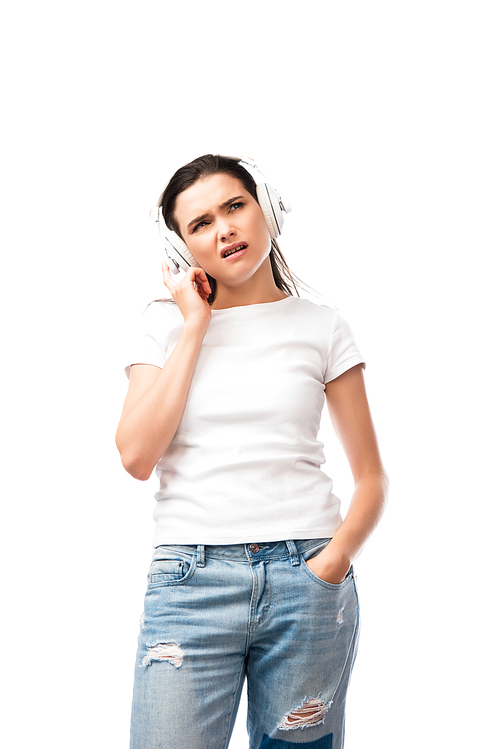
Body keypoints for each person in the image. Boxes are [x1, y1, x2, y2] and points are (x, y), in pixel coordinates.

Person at [115, 155, 388, 749]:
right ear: (183, 247)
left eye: (235, 206)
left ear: (267, 208)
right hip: (191, 581)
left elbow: (371, 476)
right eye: (201, 223)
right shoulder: (163, 326)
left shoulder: (322, 326)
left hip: (306, 579)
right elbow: (136, 456)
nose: (224, 229)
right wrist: (194, 325)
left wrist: (332, 563)